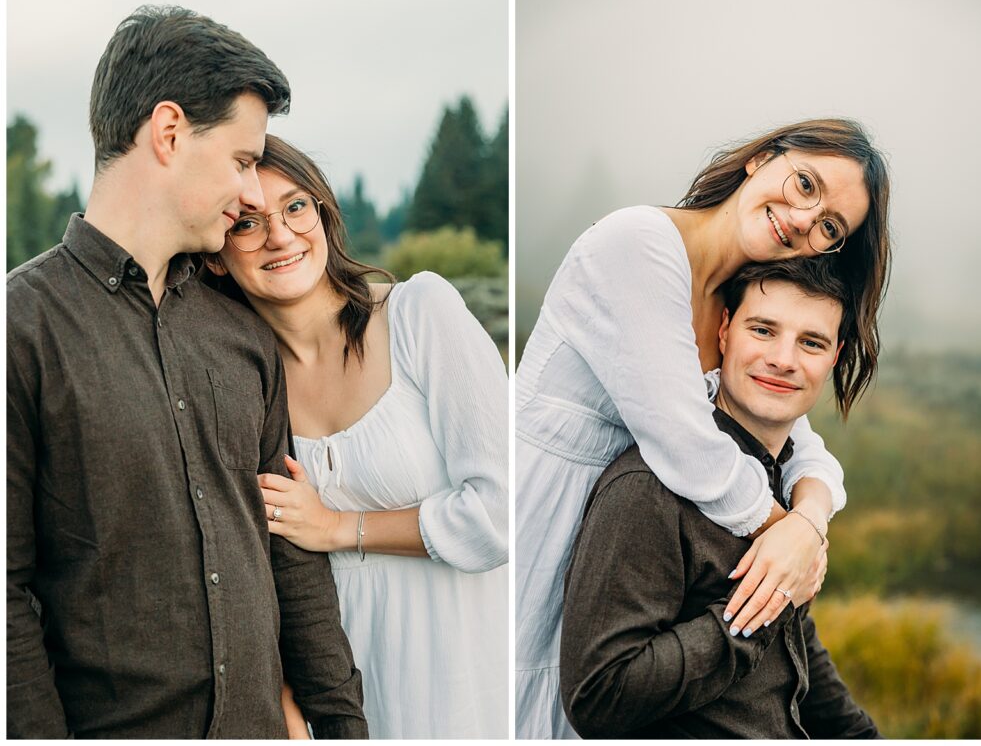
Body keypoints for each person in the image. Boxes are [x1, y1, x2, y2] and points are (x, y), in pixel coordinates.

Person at [7, 7, 367, 738]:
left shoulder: (243, 335)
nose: (256, 194)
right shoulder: (21, 330)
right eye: (241, 160)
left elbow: (289, 560)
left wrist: (342, 728)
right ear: (168, 133)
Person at [515, 119, 890, 737]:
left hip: (628, 551)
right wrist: (784, 538)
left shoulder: (731, 301)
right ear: (761, 159)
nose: (802, 219)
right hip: (545, 523)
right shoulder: (637, 244)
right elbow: (687, 446)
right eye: (804, 184)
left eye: (829, 227)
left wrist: (810, 522)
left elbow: (801, 444)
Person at [202, 134, 509, 739]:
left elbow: (500, 515)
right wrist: (285, 697)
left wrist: (339, 528)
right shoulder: (239, 385)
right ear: (217, 254)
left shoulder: (420, 315)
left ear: (323, 213)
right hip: (344, 693)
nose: (281, 236)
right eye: (249, 222)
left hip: (464, 674)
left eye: (296, 207)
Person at [560, 258, 880, 738]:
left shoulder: (786, 485)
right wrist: (766, 606)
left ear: (834, 357)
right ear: (725, 331)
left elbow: (795, 651)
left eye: (811, 342)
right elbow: (599, 694)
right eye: (763, 330)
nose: (784, 359)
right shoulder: (649, 489)